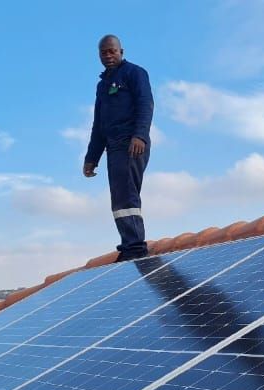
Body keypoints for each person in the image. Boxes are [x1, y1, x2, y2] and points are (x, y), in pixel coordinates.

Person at [83, 34, 153, 262]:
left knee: (126, 194)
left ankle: (135, 248)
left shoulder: (135, 73)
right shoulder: (102, 85)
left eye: (112, 50)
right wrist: (91, 157)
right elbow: (99, 124)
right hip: (113, 148)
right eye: (103, 52)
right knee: (119, 197)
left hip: (132, 144)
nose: (108, 55)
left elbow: (145, 103)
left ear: (121, 51)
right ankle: (129, 244)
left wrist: (140, 135)